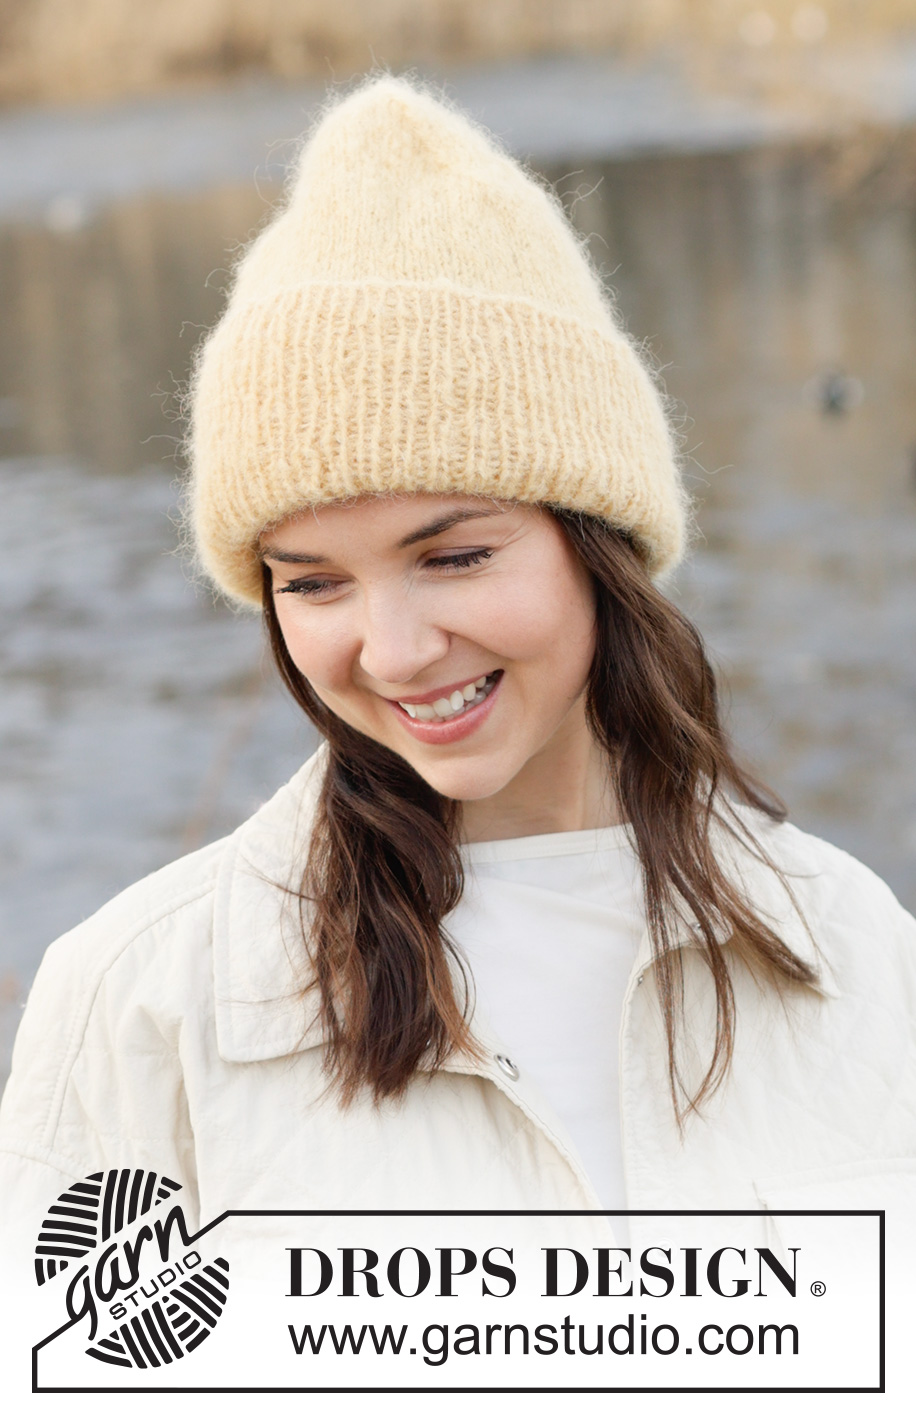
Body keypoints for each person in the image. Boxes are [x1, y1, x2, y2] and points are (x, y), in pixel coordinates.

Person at [1, 74, 914, 1256]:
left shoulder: (851, 947)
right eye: (312, 579)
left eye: (455, 555)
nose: (389, 648)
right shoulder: (140, 1004)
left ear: (601, 545)